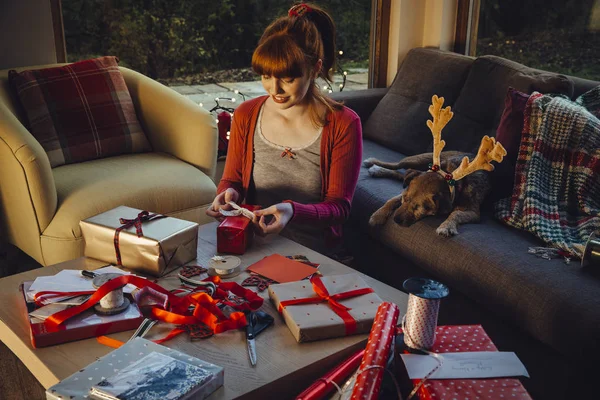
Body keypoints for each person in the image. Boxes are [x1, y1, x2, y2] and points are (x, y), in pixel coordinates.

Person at [206, 2, 362, 257]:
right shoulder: (246, 114)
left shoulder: (343, 124)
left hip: (313, 252)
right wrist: (227, 194)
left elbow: (339, 208)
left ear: (315, 69)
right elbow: (231, 179)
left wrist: (292, 210)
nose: (274, 89)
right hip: (251, 243)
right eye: (266, 75)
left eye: (288, 79)